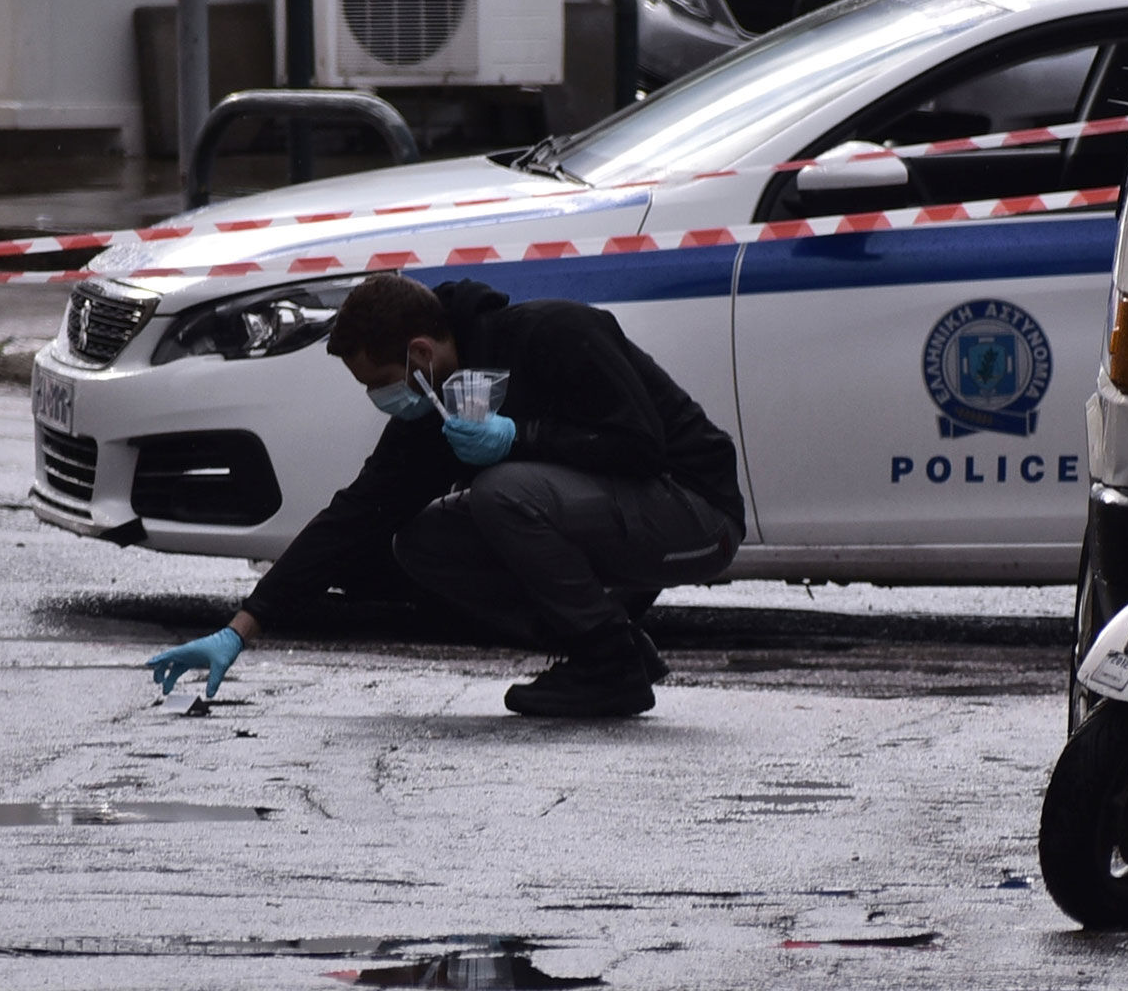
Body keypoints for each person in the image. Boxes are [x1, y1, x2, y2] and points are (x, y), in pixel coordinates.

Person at [145, 273, 746, 717]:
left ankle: (608, 663)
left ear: (420, 354)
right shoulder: (433, 410)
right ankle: (611, 650)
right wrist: (240, 628)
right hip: (620, 516)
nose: (379, 400)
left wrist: (520, 436)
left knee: (502, 492)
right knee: (422, 541)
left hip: (696, 512)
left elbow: (641, 446)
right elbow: (355, 515)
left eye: (378, 384)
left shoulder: (556, 332)